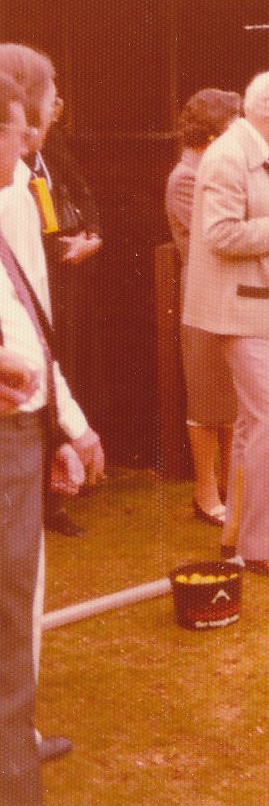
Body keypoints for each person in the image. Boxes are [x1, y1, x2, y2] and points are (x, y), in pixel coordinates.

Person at [0, 73, 99, 805]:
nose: (28, 139)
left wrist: (63, 423)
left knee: (14, 622)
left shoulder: (26, 184)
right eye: (14, 127)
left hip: (25, 423)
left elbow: (28, 324)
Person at [183, 71, 269, 579]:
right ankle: (267, 547)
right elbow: (219, 234)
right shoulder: (228, 157)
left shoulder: (250, 154)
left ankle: (239, 535)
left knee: (250, 425)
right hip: (238, 313)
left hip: (259, 310)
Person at [165, 89, 242, 527]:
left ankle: (233, 486)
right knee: (207, 399)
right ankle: (204, 493)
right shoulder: (186, 176)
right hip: (203, 296)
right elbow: (210, 240)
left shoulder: (212, 170)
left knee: (228, 399)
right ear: (212, 129)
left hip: (227, 295)